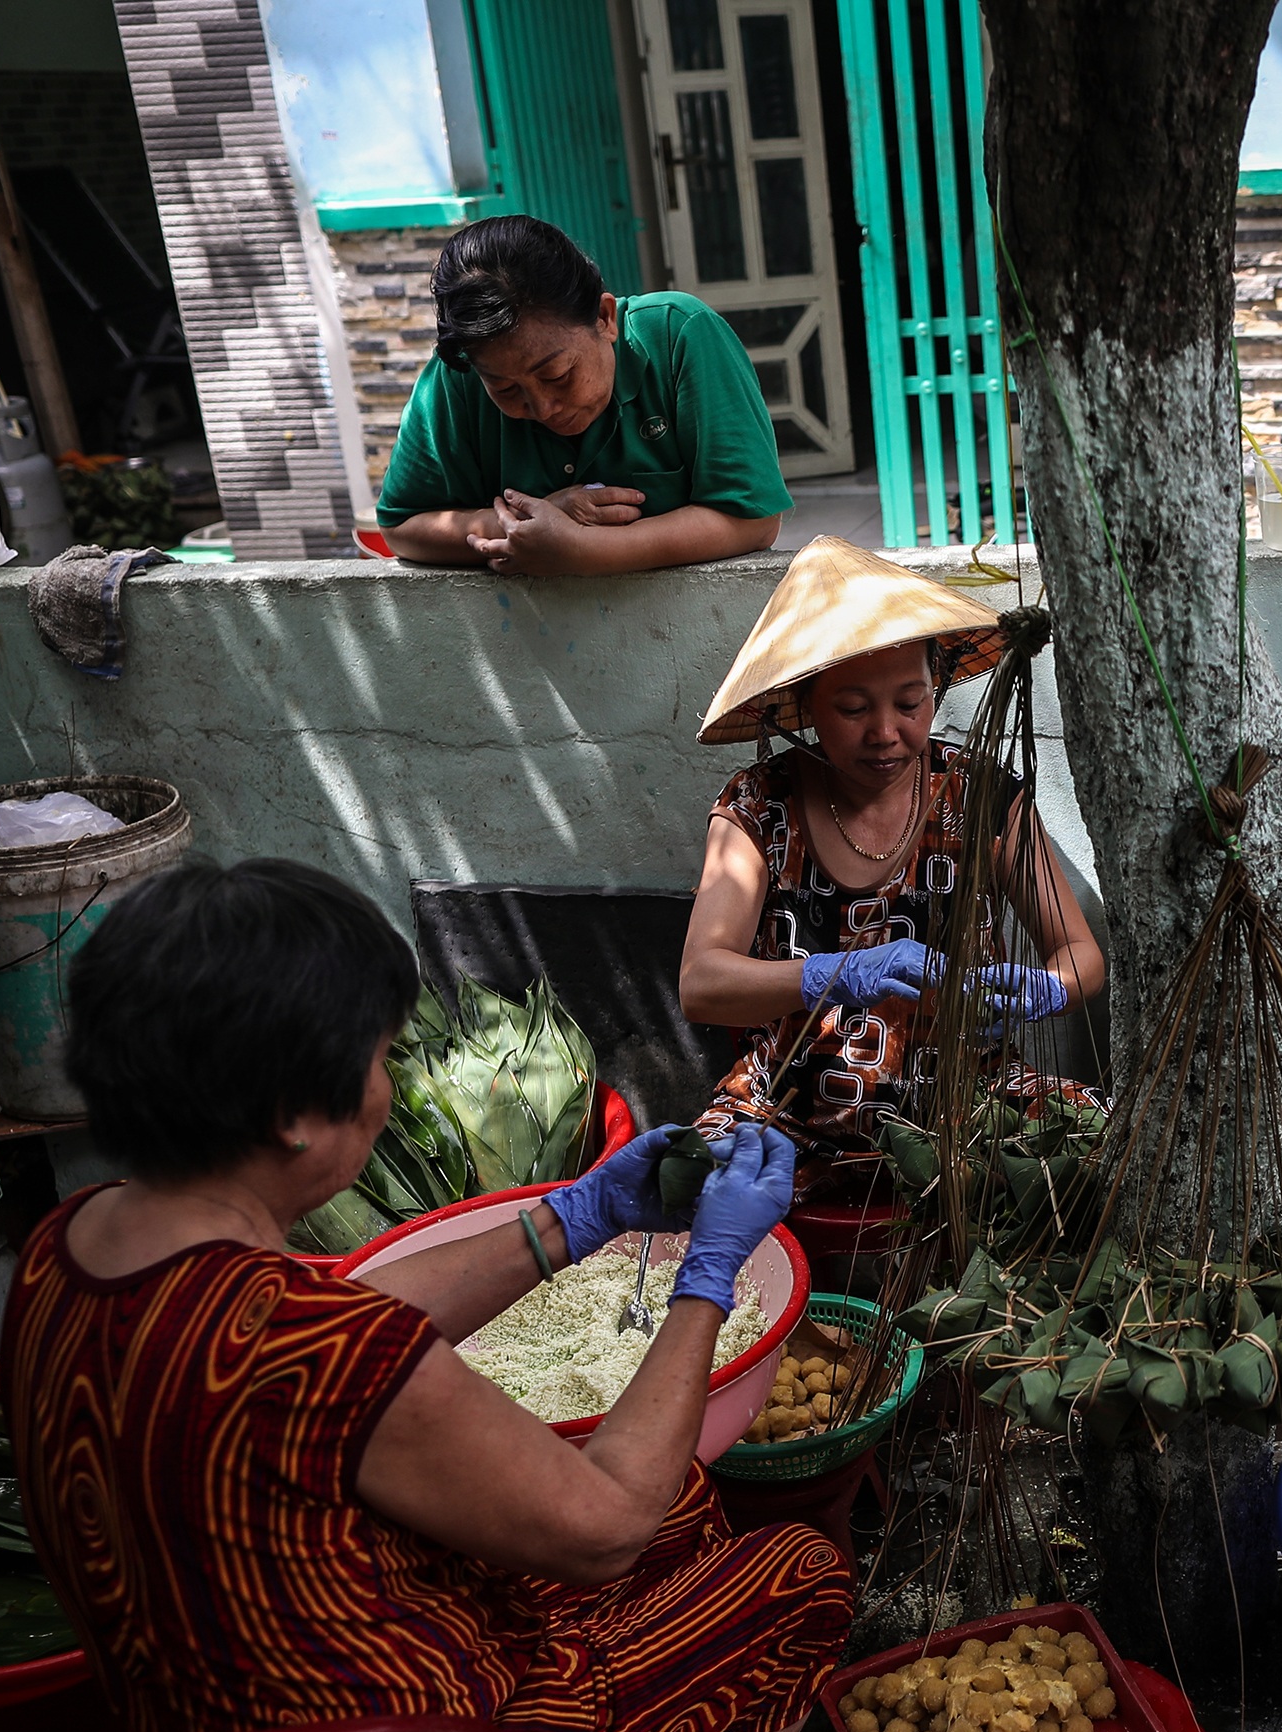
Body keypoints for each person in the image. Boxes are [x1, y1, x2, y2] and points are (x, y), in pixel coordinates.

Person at [2, 856, 842, 1732]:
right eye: (378, 1061)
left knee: (692, 1520)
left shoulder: (71, 1245)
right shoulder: (318, 1352)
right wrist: (706, 1277)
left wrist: (577, 1215)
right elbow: (602, 1528)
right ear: (297, 1115)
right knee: (795, 1579)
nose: (389, 1086)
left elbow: (340, 1327)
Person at [680, 537, 1105, 1185]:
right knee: (694, 1185)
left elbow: (1080, 953)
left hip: (972, 1102)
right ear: (806, 705)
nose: (885, 731)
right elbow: (702, 986)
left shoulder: (980, 793)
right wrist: (840, 971)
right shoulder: (760, 804)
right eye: (852, 709)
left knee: (1111, 1150)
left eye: (910, 703)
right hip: (789, 1112)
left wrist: (1047, 989)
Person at [377, 214, 789, 575]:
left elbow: (754, 520)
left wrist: (581, 549)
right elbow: (402, 528)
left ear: (605, 318)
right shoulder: (458, 376)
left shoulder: (679, 335)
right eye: (505, 389)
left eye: (557, 375)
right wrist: (524, 523)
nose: (542, 407)